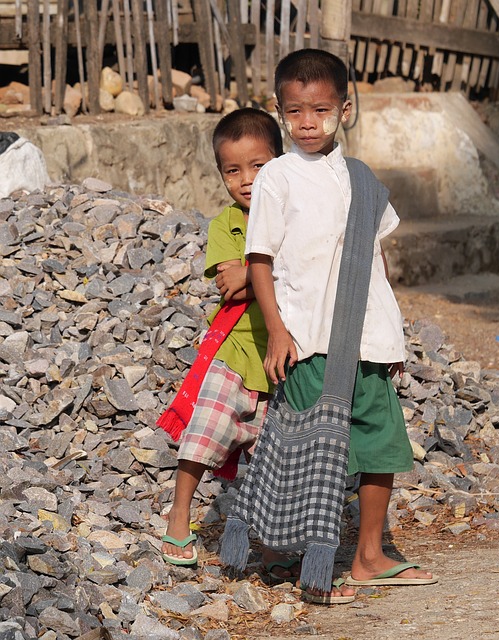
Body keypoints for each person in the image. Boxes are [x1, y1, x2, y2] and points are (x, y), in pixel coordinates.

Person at [244, 49, 439, 602]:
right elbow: (260, 260)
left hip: (365, 339)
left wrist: (389, 331)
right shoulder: (277, 178)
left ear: (345, 110)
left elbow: (374, 261)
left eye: (322, 110)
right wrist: (278, 331)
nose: (309, 123)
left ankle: (369, 555)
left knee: (379, 445)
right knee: (315, 452)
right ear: (278, 111)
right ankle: (312, 565)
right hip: (310, 339)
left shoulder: (361, 178)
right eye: (296, 112)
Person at [160, 108, 296, 577]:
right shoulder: (227, 225)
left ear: (280, 161)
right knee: (207, 432)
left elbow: (301, 274)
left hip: (286, 355)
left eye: (258, 166)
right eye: (232, 170)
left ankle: (273, 544)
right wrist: (267, 272)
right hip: (236, 350)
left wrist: (255, 271)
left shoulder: (294, 217)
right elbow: (230, 286)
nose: (246, 180)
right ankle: (179, 515)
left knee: (274, 456)